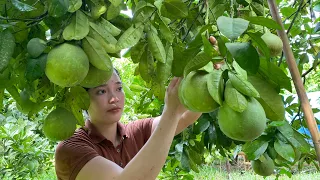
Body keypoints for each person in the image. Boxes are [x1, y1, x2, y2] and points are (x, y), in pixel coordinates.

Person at [54, 36, 221, 180]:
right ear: (83, 100)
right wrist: (171, 110)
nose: (114, 98)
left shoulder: (134, 132)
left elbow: (184, 117)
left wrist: (205, 71)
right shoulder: (72, 148)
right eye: (101, 91)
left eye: (119, 88)